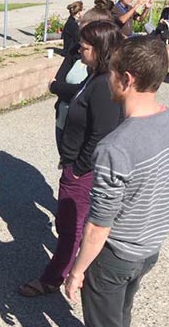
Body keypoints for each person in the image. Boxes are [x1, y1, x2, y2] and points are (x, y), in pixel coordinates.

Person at [64, 36, 169, 327]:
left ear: (127, 79)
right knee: (120, 311)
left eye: (112, 72)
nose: (107, 79)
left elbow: (99, 224)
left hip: (117, 253)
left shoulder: (115, 147)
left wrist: (76, 272)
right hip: (150, 246)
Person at [19, 21, 124, 297]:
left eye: (86, 47)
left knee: (71, 227)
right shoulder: (95, 75)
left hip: (82, 171)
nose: (79, 50)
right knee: (69, 224)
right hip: (75, 164)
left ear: (100, 50)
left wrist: (78, 168)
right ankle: (81, 270)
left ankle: (54, 278)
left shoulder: (103, 84)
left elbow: (101, 133)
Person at [50, 0, 116, 158]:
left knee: (79, 174)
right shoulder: (75, 51)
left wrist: (56, 87)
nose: (81, 37)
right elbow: (58, 81)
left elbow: (84, 91)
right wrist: (58, 88)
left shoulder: (107, 68)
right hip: (64, 119)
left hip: (84, 128)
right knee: (66, 166)